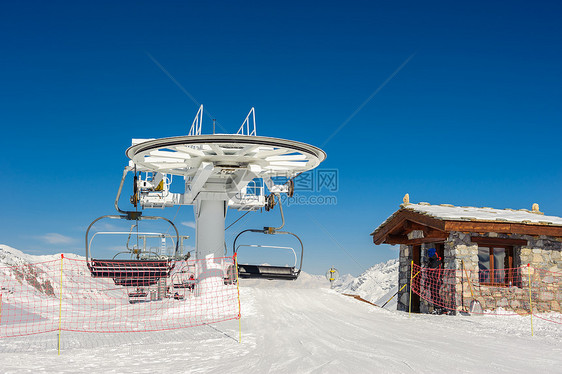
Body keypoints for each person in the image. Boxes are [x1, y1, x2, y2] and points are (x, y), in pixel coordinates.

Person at [425, 247, 443, 314]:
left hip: (436, 280)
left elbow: (430, 274)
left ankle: (438, 308)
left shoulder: (435, 262)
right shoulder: (434, 260)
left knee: (435, 295)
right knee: (434, 295)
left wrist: (427, 283)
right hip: (435, 280)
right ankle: (439, 308)